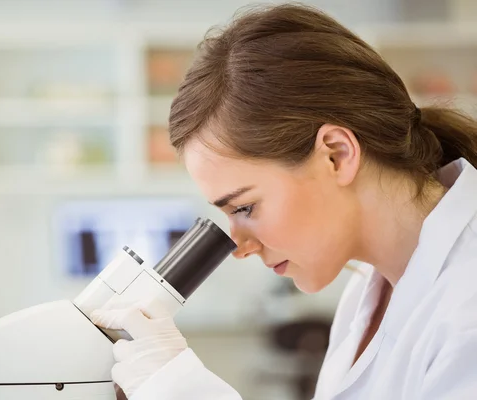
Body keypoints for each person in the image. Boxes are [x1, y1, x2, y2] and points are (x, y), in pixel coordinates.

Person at [92, 3, 477, 399]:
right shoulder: (370, 290)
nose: (239, 247)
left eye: (245, 207)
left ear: (336, 154)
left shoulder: (468, 308)